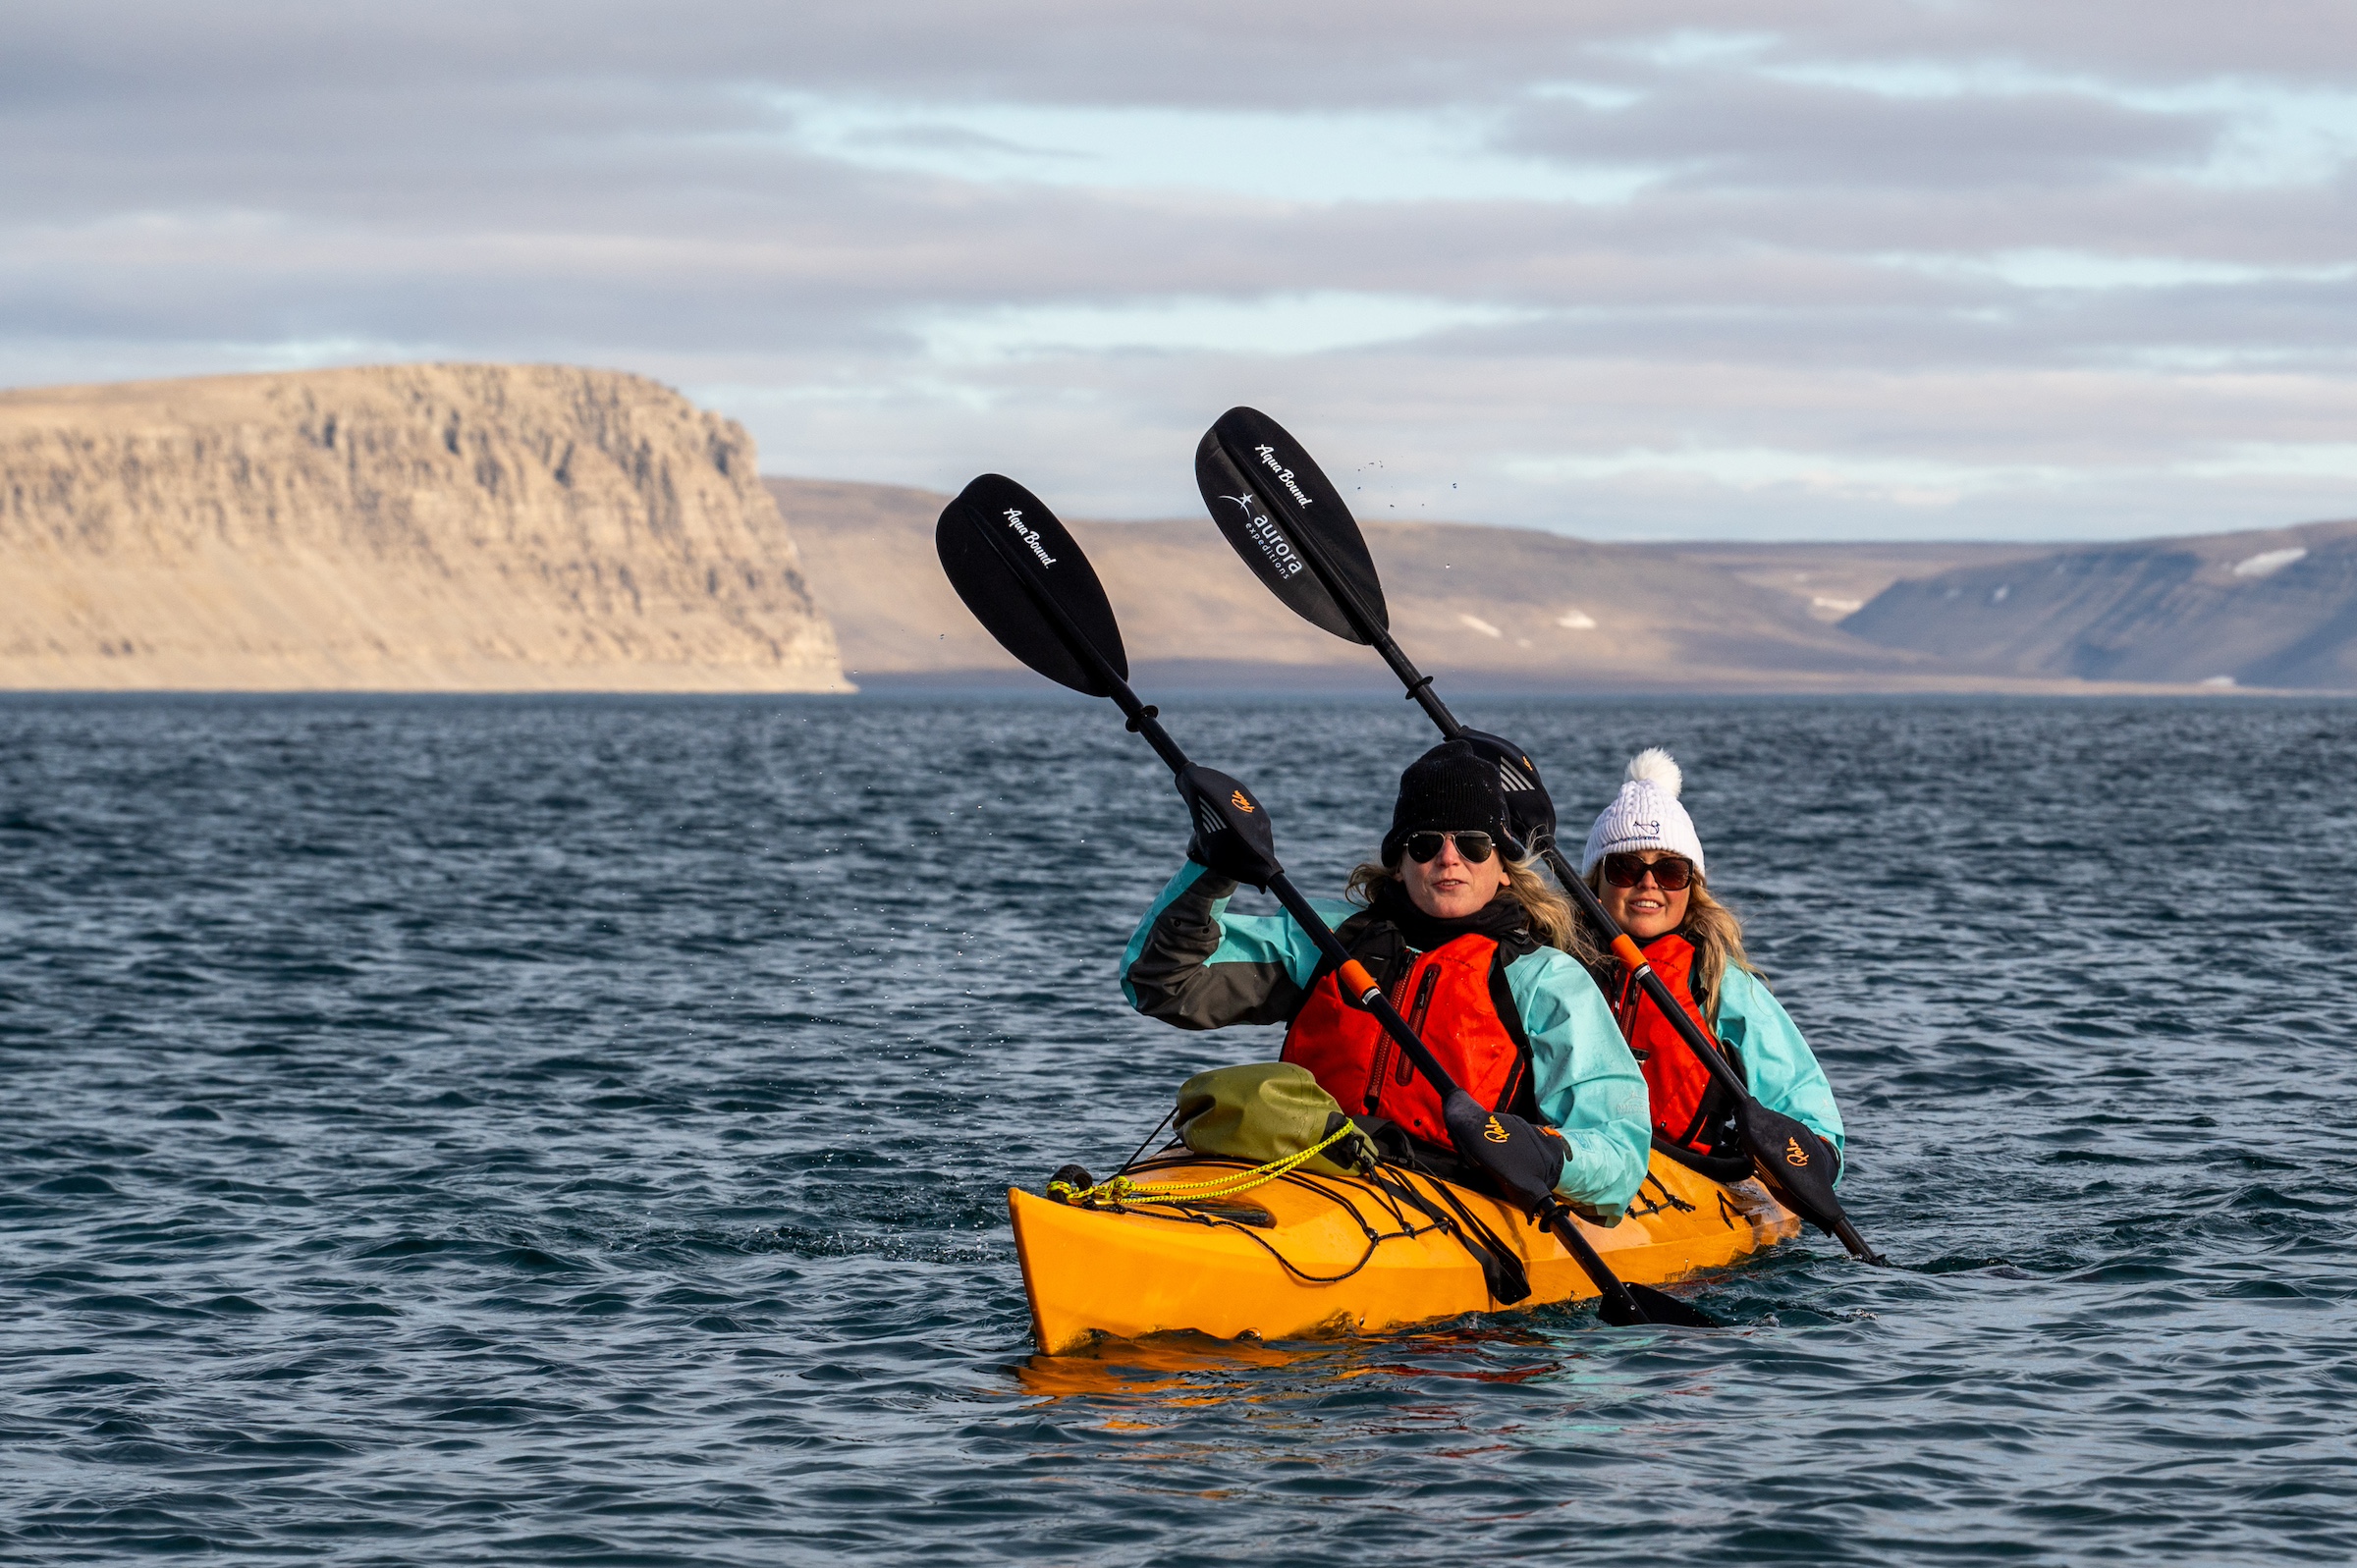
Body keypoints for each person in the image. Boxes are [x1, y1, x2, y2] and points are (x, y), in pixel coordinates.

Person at [1123, 739, 1651, 1221]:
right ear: (1398, 863)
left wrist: (1545, 1151)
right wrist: (1210, 866)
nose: (1449, 858)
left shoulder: (1546, 980)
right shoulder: (1327, 938)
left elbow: (1620, 1158)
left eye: (1472, 843)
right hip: (1307, 1168)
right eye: (1424, 844)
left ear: (1504, 866)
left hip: (1449, 1195)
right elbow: (1163, 981)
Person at [1578, 748, 1845, 1176]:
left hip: (1685, 1173)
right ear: (1595, 881)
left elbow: (1805, 1108)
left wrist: (1811, 1159)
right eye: (1626, 868)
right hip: (1575, 1163)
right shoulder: (1556, 969)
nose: (1648, 883)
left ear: (1691, 886)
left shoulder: (1721, 983)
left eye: (1670, 871)